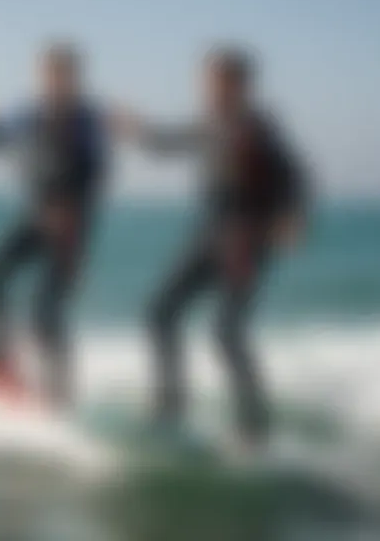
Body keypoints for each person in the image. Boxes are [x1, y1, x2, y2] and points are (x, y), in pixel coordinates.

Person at [114, 44, 308, 448]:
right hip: (208, 236)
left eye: (218, 82)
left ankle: (253, 428)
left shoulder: (259, 129)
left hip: (246, 242)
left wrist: (290, 219)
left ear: (241, 85)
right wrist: (136, 130)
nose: (208, 90)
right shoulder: (208, 124)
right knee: (159, 312)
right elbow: (167, 143)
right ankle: (171, 404)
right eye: (205, 82)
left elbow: (295, 178)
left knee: (226, 331)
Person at [0, 41, 107, 407]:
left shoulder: (86, 120)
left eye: (60, 75)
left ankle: (60, 393)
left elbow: (96, 173)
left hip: (70, 226)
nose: (51, 82)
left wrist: (69, 211)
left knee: (46, 312)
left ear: (74, 78)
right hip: (36, 218)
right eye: (46, 75)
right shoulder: (31, 113)